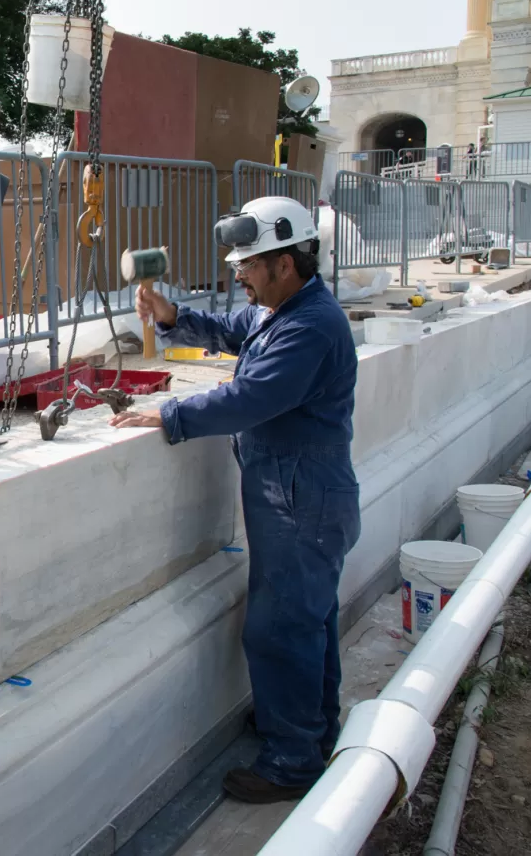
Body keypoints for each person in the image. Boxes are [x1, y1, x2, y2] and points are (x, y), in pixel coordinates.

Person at [108, 196, 359, 804]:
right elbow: (227, 332)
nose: (238, 275)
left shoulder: (311, 326)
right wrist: (172, 316)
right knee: (310, 618)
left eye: (249, 265)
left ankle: (294, 760)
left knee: (280, 628)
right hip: (299, 492)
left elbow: (249, 399)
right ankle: (309, 725)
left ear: (288, 262)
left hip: (301, 496)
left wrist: (169, 413)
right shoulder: (282, 311)